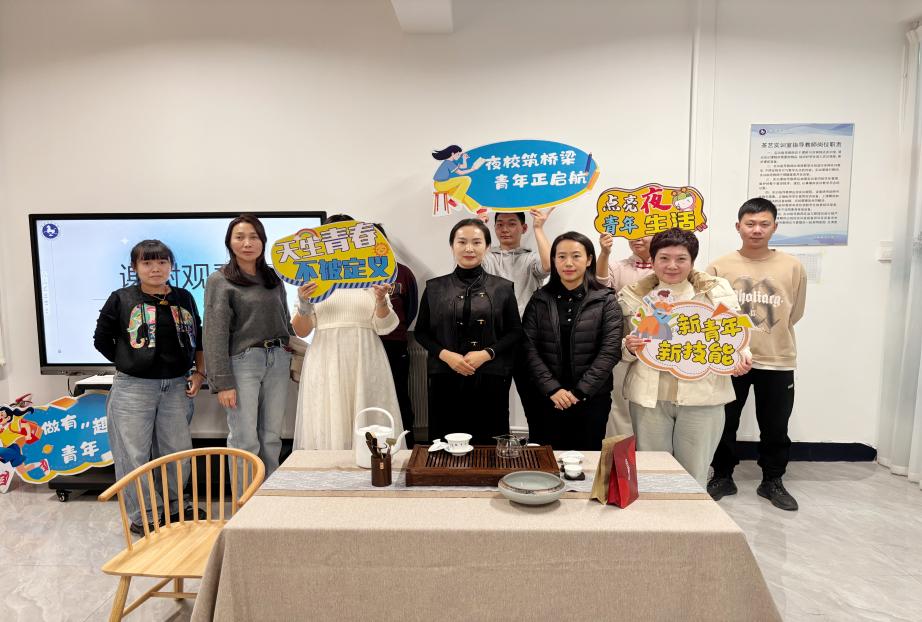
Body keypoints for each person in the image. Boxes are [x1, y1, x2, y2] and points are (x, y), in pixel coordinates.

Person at [619, 228, 752, 486]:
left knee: (694, 471)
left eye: (681, 259)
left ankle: (692, 512)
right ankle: (659, 512)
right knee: (653, 471)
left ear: (692, 261)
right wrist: (630, 347)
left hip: (703, 397)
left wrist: (741, 356)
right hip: (650, 399)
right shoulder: (634, 296)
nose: (672, 266)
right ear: (652, 260)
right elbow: (621, 347)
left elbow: (736, 332)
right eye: (664, 258)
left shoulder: (715, 291)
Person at [94, 239, 204, 533]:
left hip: (176, 386)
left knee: (177, 451)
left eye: (162, 262)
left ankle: (176, 506)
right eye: (147, 262)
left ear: (171, 265)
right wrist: (128, 360)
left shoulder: (184, 297)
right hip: (133, 388)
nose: (155, 268)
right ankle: (145, 515)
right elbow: (101, 339)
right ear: (135, 267)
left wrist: (199, 372)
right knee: (133, 455)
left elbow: (198, 337)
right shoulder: (121, 298)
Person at [706, 198, 807, 511]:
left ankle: (772, 480)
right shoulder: (719, 266)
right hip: (730, 359)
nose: (757, 230)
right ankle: (722, 475)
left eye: (764, 224)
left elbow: (795, 312)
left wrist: (767, 336)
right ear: (738, 227)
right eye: (750, 224)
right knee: (724, 422)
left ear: (775, 227)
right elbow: (709, 312)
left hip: (777, 358)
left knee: (776, 425)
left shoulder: (792, 266)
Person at [291, 215, 403, 450]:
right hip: (326, 359)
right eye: (331, 238)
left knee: (369, 414)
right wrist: (304, 302)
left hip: (366, 357)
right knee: (327, 417)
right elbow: (301, 330)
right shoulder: (312, 279)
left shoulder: (370, 275)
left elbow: (385, 326)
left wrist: (381, 300)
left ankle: (373, 466)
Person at [414, 218, 522, 444]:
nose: (469, 248)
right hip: (445, 374)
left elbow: (514, 332)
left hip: (490, 375)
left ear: (487, 247)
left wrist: (487, 353)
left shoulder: (503, 288)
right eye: (462, 242)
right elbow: (421, 332)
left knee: (488, 440)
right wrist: (446, 355)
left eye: (477, 242)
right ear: (452, 246)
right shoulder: (434, 287)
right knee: (445, 440)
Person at [204, 215, 293, 482]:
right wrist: (222, 382)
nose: (247, 243)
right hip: (243, 362)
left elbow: (285, 321)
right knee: (244, 438)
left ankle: (270, 495)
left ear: (263, 241)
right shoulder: (220, 280)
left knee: (272, 436)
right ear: (229, 243)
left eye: (254, 237)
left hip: (277, 359)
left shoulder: (273, 278)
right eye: (240, 237)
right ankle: (247, 499)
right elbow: (214, 333)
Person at [521, 232, 623, 450]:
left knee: (587, 459)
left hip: (591, 398)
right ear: (554, 260)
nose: (568, 263)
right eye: (561, 256)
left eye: (576, 256)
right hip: (546, 398)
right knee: (546, 459)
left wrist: (580, 392)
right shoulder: (539, 299)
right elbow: (528, 348)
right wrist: (552, 389)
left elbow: (610, 351)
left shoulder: (606, 300)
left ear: (588, 260)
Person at [596, 233, 655, 437]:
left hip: (660, 349)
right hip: (625, 346)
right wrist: (604, 252)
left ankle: (651, 453)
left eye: (645, 233)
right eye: (633, 233)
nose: (638, 238)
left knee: (653, 409)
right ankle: (620, 455)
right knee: (620, 405)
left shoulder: (668, 268)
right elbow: (601, 284)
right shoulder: (616, 266)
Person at [375, 223, 419, 448]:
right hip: (366, 345)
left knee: (399, 395)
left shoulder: (402, 272)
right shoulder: (351, 274)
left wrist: (396, 329)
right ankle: (374, 446)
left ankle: (406, 447)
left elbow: (411, 309)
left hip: (394, 344)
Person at [431, 145, 488, 220]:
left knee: (461, 193)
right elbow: (460, 173)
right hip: (441, 184)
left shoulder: (452, 162)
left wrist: (464, 159)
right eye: (458, 154)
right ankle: (454, 200)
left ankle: (477, 208)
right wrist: (473, 169)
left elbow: (463, 166)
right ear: (452, 154)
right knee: (466, 179)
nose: (459, 156)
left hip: (444, 184)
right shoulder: (448, 163)